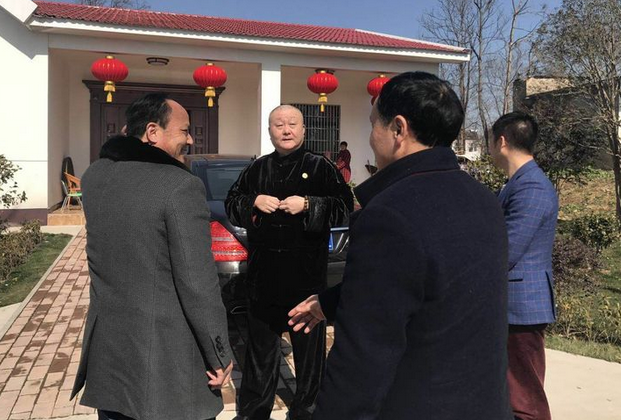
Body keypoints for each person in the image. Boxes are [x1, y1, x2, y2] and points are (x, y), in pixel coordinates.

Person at [288, 72, 513, 420]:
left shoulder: (390, 213)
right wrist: (331, 302)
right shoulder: (483, 199)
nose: (371, 137)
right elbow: (434, 282)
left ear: (398, 129)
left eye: (373, 124)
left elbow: (363, 358)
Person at [71, 93, 233, 420]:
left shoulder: (95, 176)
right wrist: (219, 353)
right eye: (184, 130)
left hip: (110, 358)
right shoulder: (180, 186)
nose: (190, 139)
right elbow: (198, 284)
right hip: (167, 365)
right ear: (152, 132)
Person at [225, 105, 353, 420]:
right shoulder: (257, 169)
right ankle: (255, 410)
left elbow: (344, 206)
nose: (286, 130)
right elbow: (232, 204)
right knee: (260, 354)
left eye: (292, 123)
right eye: (279, 124)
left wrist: (309, 204)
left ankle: (307, 409)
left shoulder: (321, 166)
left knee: (310, 356)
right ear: (269, 131)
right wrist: (253, 201)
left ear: (304, 129)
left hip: (305, 281)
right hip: (264, 280)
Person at [489, 112, 558, 420]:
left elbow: (507, 249)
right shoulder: (517, 183)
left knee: (525, 401)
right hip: (513, 306)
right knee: (512, 395)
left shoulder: (532, 187)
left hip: (522, 306)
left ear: (501, 141)